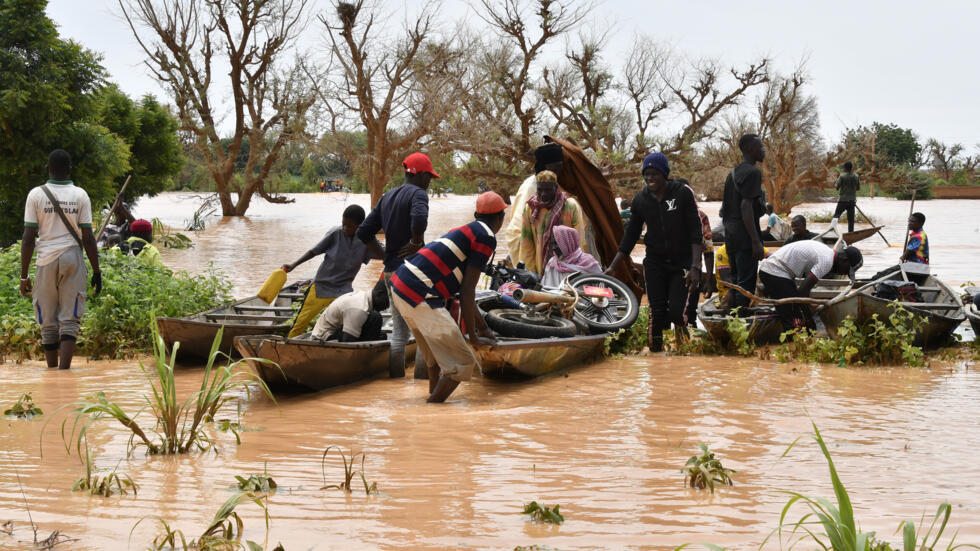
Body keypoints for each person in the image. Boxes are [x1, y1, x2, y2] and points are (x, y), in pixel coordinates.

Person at [390, 192, 506, 403]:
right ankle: (431, 409)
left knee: (435, 359)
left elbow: (462, 293)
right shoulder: (486, 236)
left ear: (476, 215)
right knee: (463, 362)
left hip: (401, 287)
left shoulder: (464, 231)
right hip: (420, 292)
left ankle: (431, 418)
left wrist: (483, 328)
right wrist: (474, 336)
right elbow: (468, 291)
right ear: (501, 218)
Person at [606, 152, 703, 352]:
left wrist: (695, 266)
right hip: (655, 263)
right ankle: (656, 359)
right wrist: (613, 267)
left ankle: (683, 337)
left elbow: (696, 232)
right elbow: (630, 236)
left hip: (681, 263)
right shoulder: (641, 200)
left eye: (654, 174)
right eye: (646, 174)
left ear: (664, 174)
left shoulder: (682, 193)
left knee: (677, 313)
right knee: (656, 312)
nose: (650, 178)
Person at [19, 149, 102, 370]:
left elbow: (28, 239)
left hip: (45, 259)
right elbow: (88, 238)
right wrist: (97, 271)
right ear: (70, 169)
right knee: (69, 318)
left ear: (48, 168)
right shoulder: (80, 195)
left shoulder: (35, 195)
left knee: (47, 319)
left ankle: (52, 373)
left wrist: (23, 276)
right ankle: (64, 373)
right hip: (72, 258)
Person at [357, 152, 436, 378]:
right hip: (414, 270)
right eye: (428, 177)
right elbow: (419, 219)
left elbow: (364, 231)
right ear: (420, 175)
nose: (429, 182)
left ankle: (396, 382)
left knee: (399, 332)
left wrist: (383, 253)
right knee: (423, 331)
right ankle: (422, 384)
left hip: (392, 272)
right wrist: (416, 242)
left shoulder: (387, 196)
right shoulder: (419, 194)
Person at [283, 204, 382, 338]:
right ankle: (289, 343)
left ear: (359, 226)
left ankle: (334, 344)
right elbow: (314, 251)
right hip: (321, 286)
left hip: (344, 289)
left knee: (346, 321)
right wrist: (294, 264)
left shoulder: (366, 240)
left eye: (350, 226)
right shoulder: (335, 233)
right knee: (301, 323)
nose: (345, 228)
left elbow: (383, 254)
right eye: (343, 224)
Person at [759, 241, 862, 329]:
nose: (844, 273)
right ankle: (791, 341)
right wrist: (809, 318)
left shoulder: (827, 252)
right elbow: (802, 292)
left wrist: (808, 307)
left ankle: (772, 295)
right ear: (844, 259)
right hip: (774, 272)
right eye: (847, 270)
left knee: (793, 307)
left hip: (775, 272)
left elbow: (803, 291)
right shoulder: (827, 261)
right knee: (797, 321)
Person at [720, 133, 767, 310]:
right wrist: (755, 241)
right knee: (746, 285)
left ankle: (732, 320)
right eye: (760, 147)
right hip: (745, 237)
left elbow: (724, 210)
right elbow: (746, 207)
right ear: (750, 150)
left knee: (736, 280)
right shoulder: (753, 172)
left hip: (731, 235)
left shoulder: (732, 174)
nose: (763, 150)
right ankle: (741, 320)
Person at [516, 170, 589, 275]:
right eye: (540, 190)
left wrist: (575, 268)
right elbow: (526, 242)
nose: (544, 194)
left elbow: (579, 240)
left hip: (568, 266)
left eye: (548, 190)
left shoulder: (570, 206)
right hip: (541, 266)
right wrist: (530, 271)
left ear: (556, 188)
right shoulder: (530, 208)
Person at [504, 142, 565, 260]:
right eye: (554, 168)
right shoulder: (532, 187)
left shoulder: (556, 184)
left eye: (560, 167)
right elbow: (519, 226)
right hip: (525, 241)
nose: (558, 171)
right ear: (545, 167)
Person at [311, 280, 389, 342]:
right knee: (375, 318)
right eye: (388, 301)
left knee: (380, 333)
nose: (388, 306)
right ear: (379, 294)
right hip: (323, 338)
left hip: (336, 331)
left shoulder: (364, 297)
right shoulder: (359, 307)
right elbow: (348, 341)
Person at [834, 162, 860, 233]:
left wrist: (835, 183)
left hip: (843, 200)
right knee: (851, 220)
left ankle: (832, 231)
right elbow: (858, 188)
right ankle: (850, 233)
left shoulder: (842, 176)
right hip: (852, 201)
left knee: (836, 216)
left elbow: (837, 187)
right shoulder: (856, 176)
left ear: (845, 168)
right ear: (851, 168)